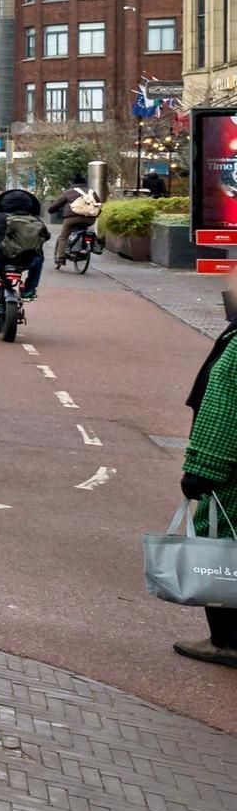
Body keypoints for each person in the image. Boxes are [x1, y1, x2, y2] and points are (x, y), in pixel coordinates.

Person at [175, 271, 237, 667]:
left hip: (233, 476)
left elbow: (222, 413)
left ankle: (227, 640)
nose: (229, 286)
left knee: (219, 545)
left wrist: (201, 470)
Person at [0, 184, 47, 322]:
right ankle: (29, 290)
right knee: (39, 259)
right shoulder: (36, 220)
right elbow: (47, 236)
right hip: (27, 261)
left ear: (4, 203)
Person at [52, 182, 102, 266]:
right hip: (90, 219)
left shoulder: (69, 192)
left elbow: (57, 204)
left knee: (63, 236)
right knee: (85, 229)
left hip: (72, 219)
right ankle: (84, 247)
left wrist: (51, 210)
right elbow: (98, 205)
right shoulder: (92, 192)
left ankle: (61, 258)